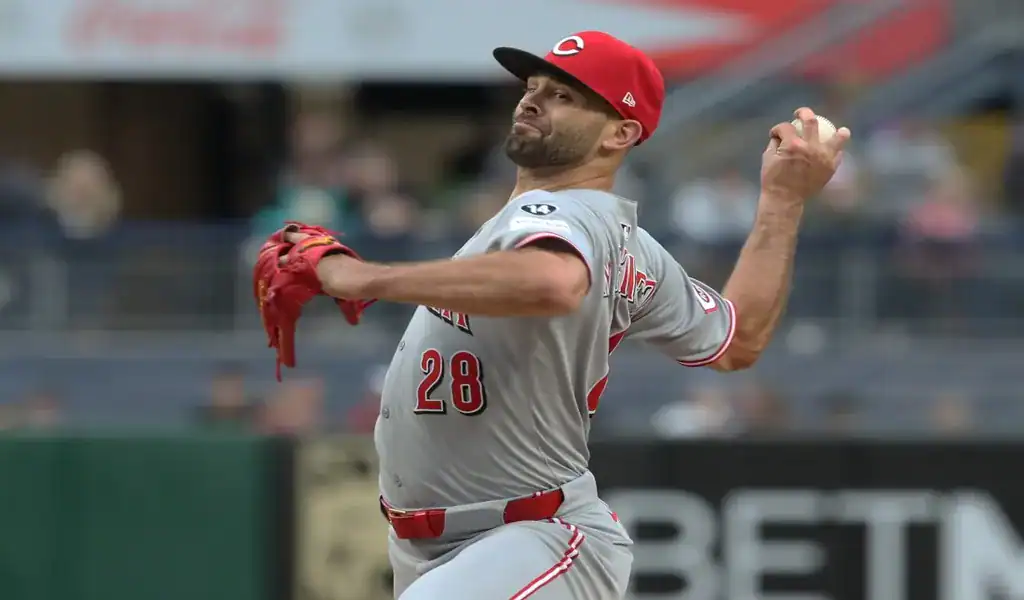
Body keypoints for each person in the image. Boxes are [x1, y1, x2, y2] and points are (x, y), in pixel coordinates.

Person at [264, 30, 848, 600]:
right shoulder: (624, 243)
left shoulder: (560, 212)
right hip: (462, 545)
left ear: (620, 133)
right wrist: (781, 202)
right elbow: (737, 335)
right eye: (535, 85)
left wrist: (358, 276)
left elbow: (553, 281)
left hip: (530, 535)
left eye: (565, 95)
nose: (533, 98)